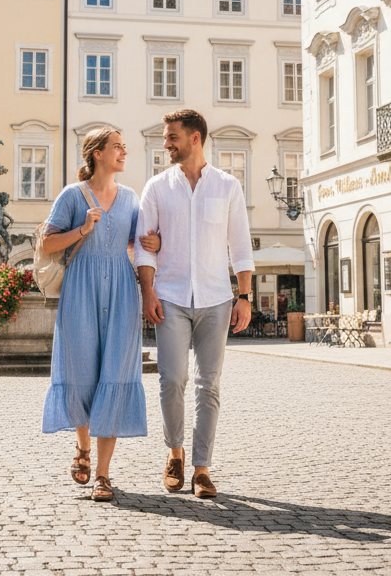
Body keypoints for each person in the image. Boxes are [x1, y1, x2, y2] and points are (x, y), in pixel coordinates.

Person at [136, 109, 253, 499]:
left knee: (209, 384)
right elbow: (144, 245)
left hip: (217, 298)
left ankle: (202, 468)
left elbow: (240, 246)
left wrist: (246, 297)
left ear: (195, 138)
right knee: (172, 380)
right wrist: (147, 292)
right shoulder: (156, 187)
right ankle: (175, 453)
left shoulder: (227, 186)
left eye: (172, 137)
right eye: (166, 137)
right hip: (169, 297)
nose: (166, 143)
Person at [40, 126, 159, 502]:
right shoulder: (72, 195)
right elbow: (46, 242)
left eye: (125, 146)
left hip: (122, 292)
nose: (124, 152)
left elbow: (138, 244)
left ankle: (103, 475)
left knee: (116, 374)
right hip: (80, 292)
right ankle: (82, 447)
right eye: (117, 147)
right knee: (79, 371)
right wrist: (82, 229)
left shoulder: (130, 199)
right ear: (96, 153)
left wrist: (155, 242)